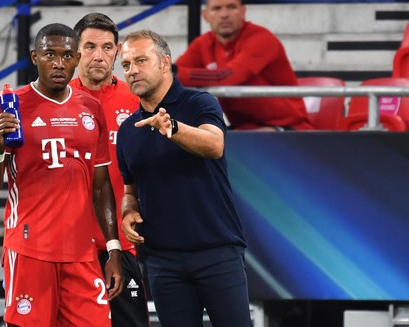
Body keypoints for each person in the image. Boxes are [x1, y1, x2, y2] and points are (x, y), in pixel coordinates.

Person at [0, 23, 123, 327]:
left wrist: (113, 250)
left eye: (67, 55)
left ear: (77, 59)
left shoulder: (91, 108)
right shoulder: (10, 107)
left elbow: (101, 187)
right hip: (30, 249)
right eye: (50, 54)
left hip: (82, 252)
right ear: (35, 57)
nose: (59, 63)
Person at [117, 29, 252, 327]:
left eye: (141, 60)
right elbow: (130, 188)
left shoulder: (200, 103)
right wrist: (128, 209)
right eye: (126, 65)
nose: (132, 70)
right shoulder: (128, 129)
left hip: (217, 250)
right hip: (163, 260)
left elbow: (214, 145)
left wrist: (173, 128)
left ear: (165, 63)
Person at [69, 13, 150, 327]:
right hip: (70, 247)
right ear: (76, 52)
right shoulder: (58, 102)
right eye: (89, 47)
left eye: (107, 47)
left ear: (118, 52)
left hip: (123, 245)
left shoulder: (137, 103)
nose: (98, 56)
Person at [174, 0, 313, 131]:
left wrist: (172, 73)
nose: (224, 14)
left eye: (231, 7)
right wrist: (166, 74)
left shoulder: (261, 38)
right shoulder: (203, 43)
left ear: (243, 11)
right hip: (244, 128)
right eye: (216, 9)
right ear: (205, 15)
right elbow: (170, 75)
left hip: (289, 128)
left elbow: (226, 77)